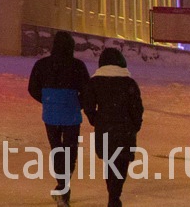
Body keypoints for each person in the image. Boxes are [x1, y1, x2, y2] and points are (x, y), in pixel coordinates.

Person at [28, 31, 90, 206]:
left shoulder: (42, 65)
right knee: (70, 151)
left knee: (56, 148)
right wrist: (78, 104)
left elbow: (32, 88)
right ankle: (64, 185)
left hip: (51, 114)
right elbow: (87, 90)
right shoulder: (77, 65)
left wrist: (48, 101)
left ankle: (61, 183)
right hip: (71, 113)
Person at [82, 48, 144, 207]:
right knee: (121, 162)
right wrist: (134, 125)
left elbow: (88, 104)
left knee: (109, 162)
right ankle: (115, 195)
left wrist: (96, 119)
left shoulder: (94, 82)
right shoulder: (128, 82)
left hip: (105, 128)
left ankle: (113, 194)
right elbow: (137, 107)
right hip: (125, 128)